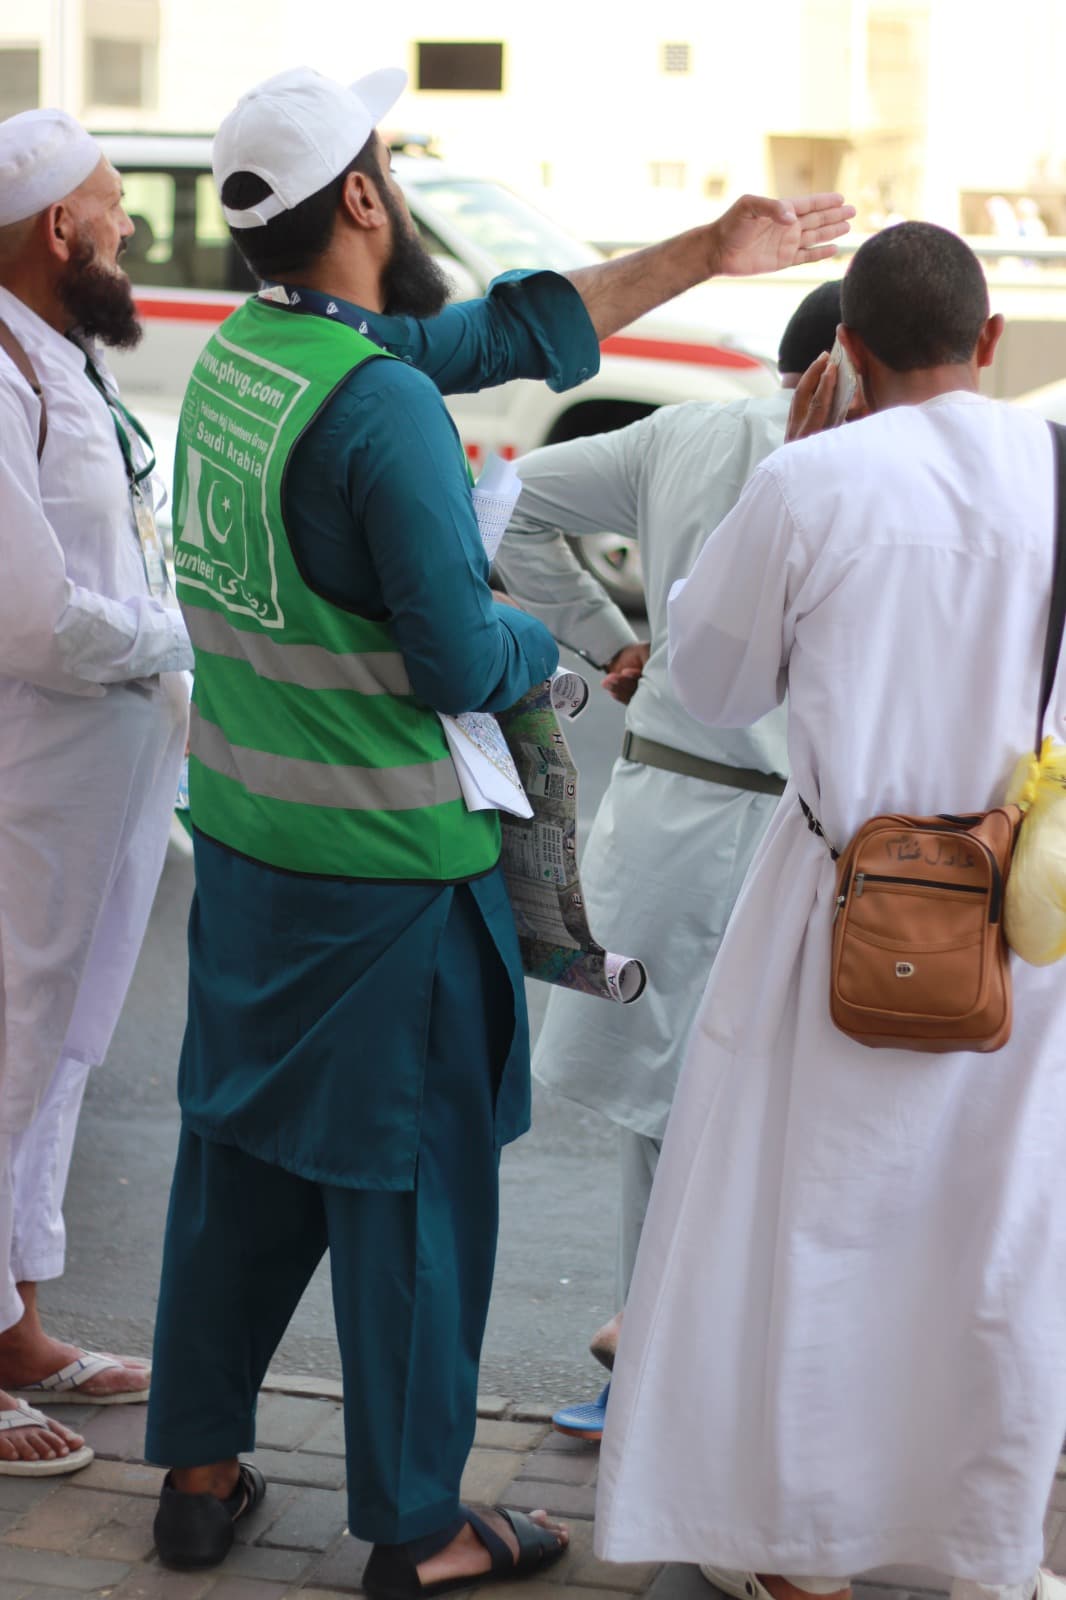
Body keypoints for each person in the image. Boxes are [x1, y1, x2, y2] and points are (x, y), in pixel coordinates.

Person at [143, 62, 852, 1586]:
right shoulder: (381, 407)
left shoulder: (250, 357)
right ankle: (418, 1527)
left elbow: (497, 331)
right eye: (386, 159)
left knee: (239, 1161)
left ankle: (199, 1472)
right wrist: (564, 649)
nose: (393, 179)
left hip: (252, 855)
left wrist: (705, 250)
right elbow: (461, 657)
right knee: (410, 1202)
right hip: (386, 880)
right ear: (359, 196)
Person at [595, 221, 1066, 1600]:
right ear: (989, 345)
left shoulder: (813, 481)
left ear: (844, 355)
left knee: (815, 1230)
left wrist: (796, 469)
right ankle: (974, 1546)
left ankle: (800, 1557)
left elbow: (722, 683)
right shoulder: (1059, 467)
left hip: (844, 914)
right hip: (1016, 926)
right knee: (993, 1237)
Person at [493, 282, 843, 1442]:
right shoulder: (868, 465)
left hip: (671, 817)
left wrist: (609, 640)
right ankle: (701, 1378)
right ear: (838, 370)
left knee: (659, 1117)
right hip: (802, 836)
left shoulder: (688, 432)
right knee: (787, 1119)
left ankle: (645, 1359)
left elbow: (501, 505)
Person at [0, 109, 193, 1475]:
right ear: (57, 225)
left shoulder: (59, 356)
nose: (125, 223)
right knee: (6, 1044)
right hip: (32, 772)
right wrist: (184, 645)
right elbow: (31, 618)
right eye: (113, 203)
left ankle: (20, 1325)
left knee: (57, 1052)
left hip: (107, 775)